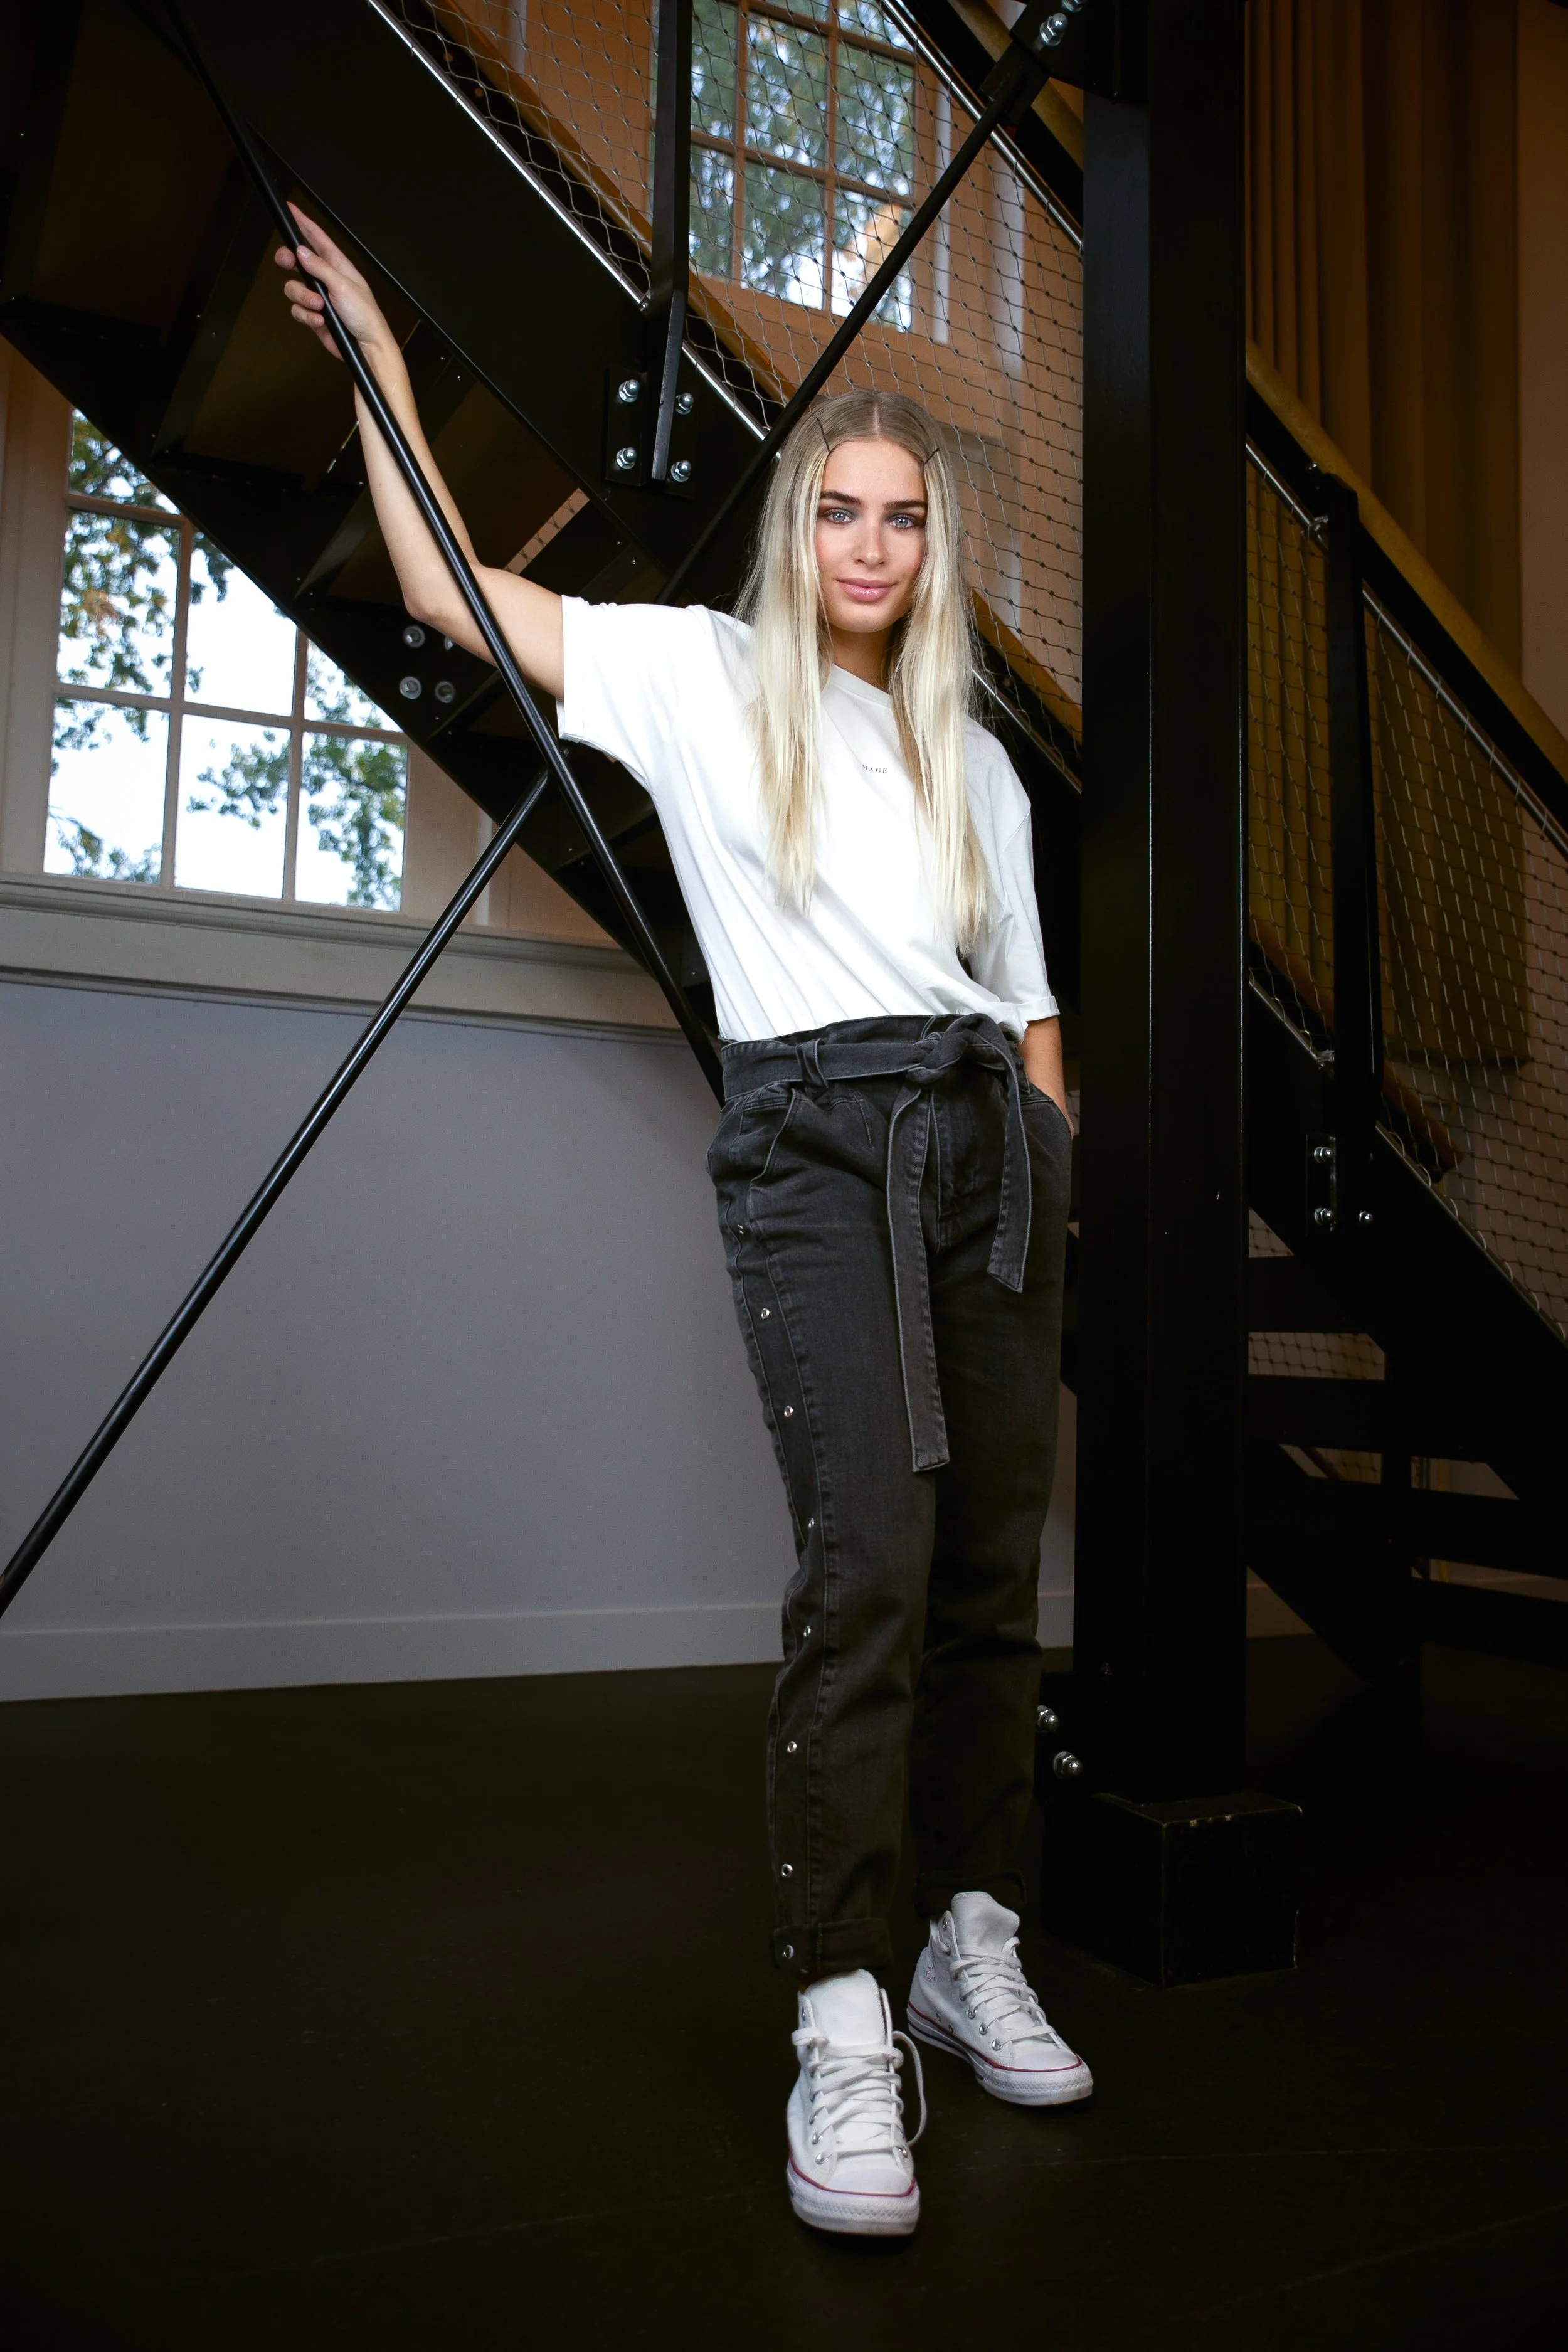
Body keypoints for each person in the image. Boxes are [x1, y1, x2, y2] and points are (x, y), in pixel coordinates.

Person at [278, 209, 1092, 2239]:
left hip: (997, 1147)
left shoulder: (975, 762)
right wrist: (377, 350)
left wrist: (1056, 1150)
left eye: (905, 518)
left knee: (995, 1574)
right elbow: (450, 590)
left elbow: (1032, 1009)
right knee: (874, 1566)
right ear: (796, 531)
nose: (873, 547)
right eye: (841, 512)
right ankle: (840, 2012)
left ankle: (963, 1935)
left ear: (933, 546)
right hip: (822, 1141)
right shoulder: (706, 677)